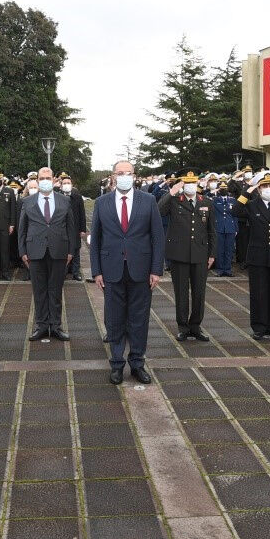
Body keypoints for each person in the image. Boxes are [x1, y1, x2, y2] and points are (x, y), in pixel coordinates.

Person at [90, 160, 166, 384]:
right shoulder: (102, 203)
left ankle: (137, 363)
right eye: (120, 173)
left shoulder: (149, 200)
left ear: (135, 176)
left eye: (128, 173)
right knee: (114, 319)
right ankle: (116, 364)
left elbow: (157, 238)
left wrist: (156, 270)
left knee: (139, 319)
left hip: (141, 270)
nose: (124, 176)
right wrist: (96, 271)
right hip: (111, 269)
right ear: (113, 176)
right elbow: (96, 240)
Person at [17, 166, 80, 341]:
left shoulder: (64, 201)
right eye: (41, 178)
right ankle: (41, 325)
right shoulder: (27, 202)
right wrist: (22, 251)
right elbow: (22, 228)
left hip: (59, 251)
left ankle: (56, 325)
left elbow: (71, 227)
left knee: (55, 290)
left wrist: (70, 251)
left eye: (48, 178)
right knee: (39, 290)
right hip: (34, 252)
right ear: (37, 180)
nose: (45, 181)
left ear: (54, 180)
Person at [234, 171, 270, 340]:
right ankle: (259, 327)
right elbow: (235, 210)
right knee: (258, 293)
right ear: (259, 189)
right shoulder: (252, 205)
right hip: (257, 256)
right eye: (264, 186)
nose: (268, 189)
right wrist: (248, 190)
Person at [158, 170, 214, 342]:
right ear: (182, 184)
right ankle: (183, 327)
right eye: (187, 182)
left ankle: (196, 326)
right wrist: (172, 192)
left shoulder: (206, 202)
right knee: (181, 292)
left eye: (193, 182)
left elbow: (212, 231)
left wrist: (212, 254)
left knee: (199, 293)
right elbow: (158, 210)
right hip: (179, 254)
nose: (191, 185)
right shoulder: (175, 201)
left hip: (200, 253)